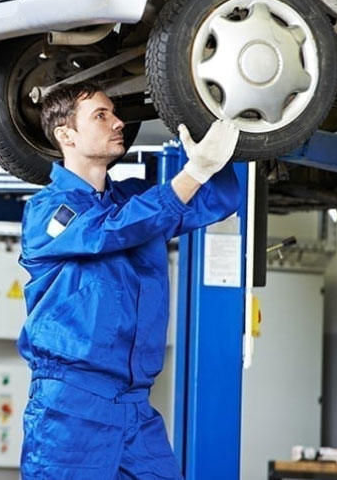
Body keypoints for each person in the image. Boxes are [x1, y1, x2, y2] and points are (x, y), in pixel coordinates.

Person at [17, 82, 241, 479]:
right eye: (101, 116)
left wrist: (213, 151)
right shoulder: (49, 211)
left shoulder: (134, 200)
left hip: (134, 406)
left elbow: (216, 201)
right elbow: (111, 231)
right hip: (72, 407)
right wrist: (191, 174)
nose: (118, 122)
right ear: (65, 135)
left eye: (114, 112)